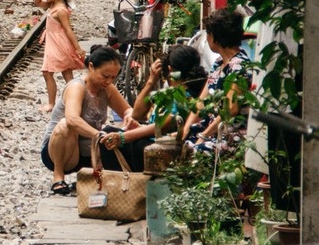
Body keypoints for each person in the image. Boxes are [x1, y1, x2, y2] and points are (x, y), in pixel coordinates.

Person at [41, 45, 137, 194]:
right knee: (65, 125)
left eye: (113, 77)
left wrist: (130, 116)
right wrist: (99, 135)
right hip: (62, 151)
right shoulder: (77, 87)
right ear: (91, 67)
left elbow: (126, 109)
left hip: (89, 152)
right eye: (105, 76)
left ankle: (93, 176)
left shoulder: (108, 89)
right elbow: (72, 119)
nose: (108, 81)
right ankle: (58, 176)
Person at [98, 44, 209, 171]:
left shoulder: (187, 96)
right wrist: (151, 81)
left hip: (163, 146)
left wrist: (123, 137)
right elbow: (137, 114)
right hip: (154, 140)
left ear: (169, 69)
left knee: (108, 137)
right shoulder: (171, 92)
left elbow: (164, 124)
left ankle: (119, 185)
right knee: (108, 131)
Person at [183, 9, 250, 153]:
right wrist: (186, 128)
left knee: (194, 151)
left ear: (214, 37)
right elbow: (201, 101)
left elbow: (231, 109)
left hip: (231, 134)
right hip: (213, 129)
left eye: (208, 33)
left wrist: (204, 135)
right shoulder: (219, 64)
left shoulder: (239, 67)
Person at [33, 0, 86, 113]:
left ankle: (53, 103)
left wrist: (78, 48)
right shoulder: (52, 5)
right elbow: (37, 2)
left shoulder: (60, 10)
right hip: (54, 43)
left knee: (49, 72)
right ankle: (75, 100)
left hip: (59, 44)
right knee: (65, 73)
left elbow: (68, 30)